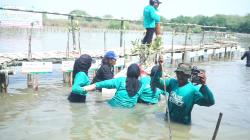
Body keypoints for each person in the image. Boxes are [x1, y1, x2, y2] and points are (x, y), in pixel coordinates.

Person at [153, 59, 215, 124]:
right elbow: (155, 82)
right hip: (168, 122)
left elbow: (210, 102)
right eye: (178, 73)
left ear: (188, 75)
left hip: (183, 124)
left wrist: (204, 85)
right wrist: (160, 68)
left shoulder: (193, 90)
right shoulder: (172, 83)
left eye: (183, 74)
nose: (180, 76)